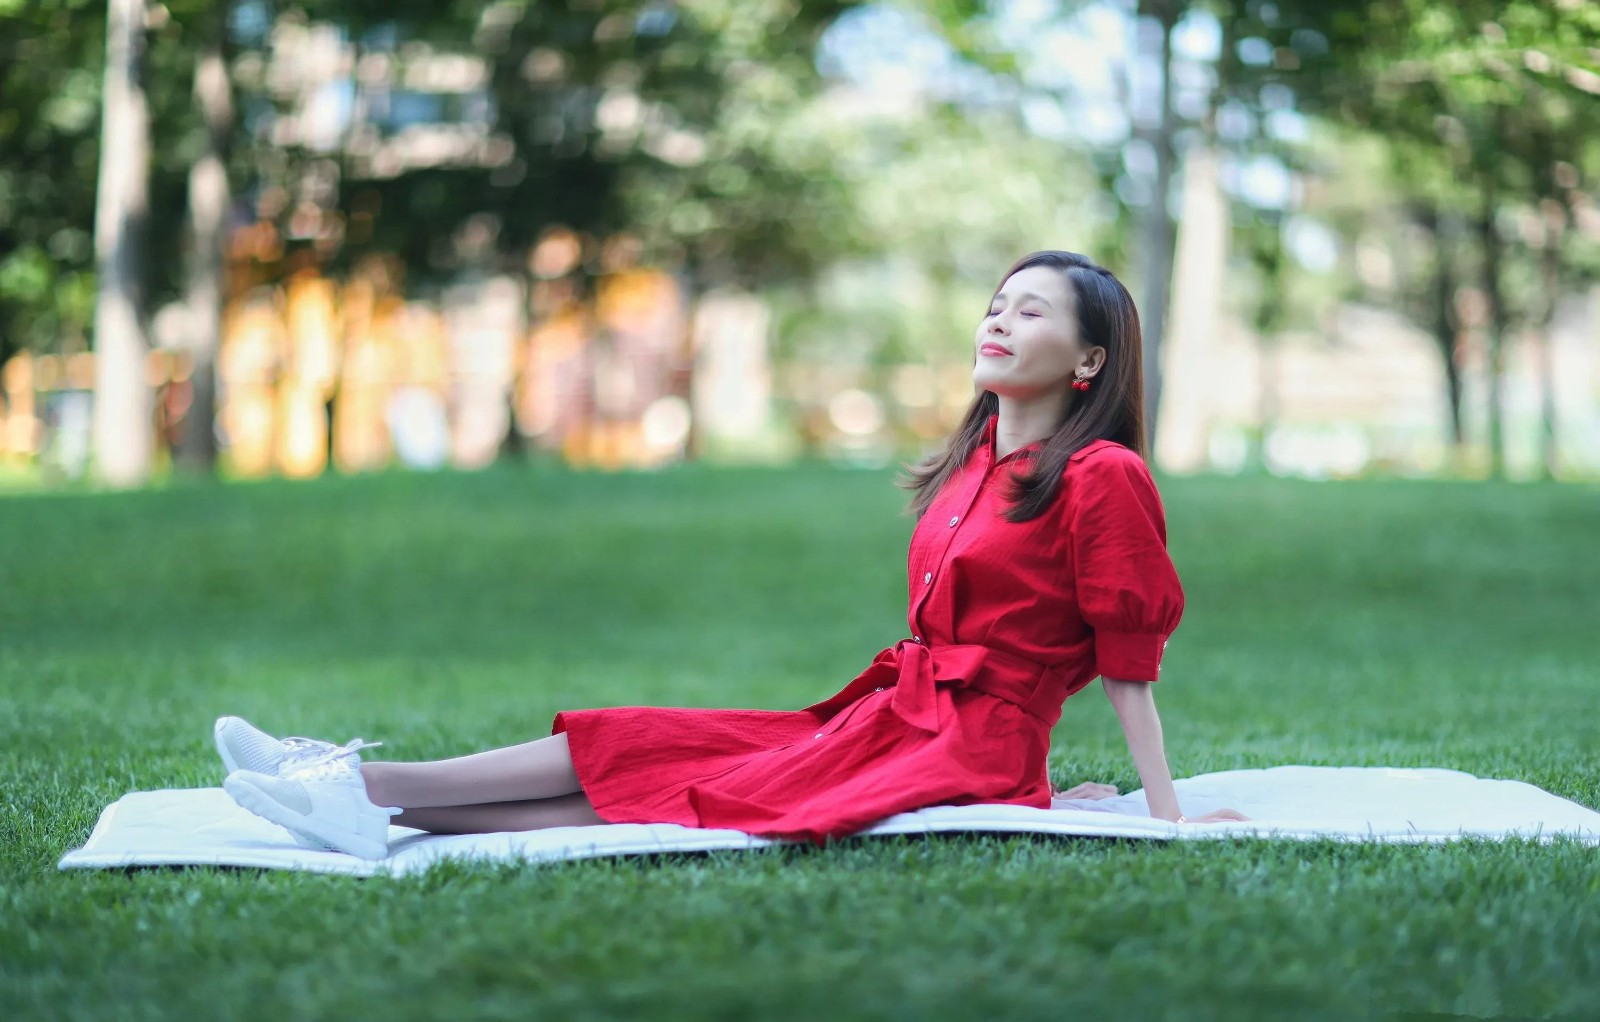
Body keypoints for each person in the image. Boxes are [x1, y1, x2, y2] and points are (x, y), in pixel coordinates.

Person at [217, 250, 1249, 861]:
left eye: (1031, 311)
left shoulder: (1102, 474)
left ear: (1087, 360)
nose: (997, 319)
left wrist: (1160, 816)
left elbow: (1126, 658)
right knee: (669, 749)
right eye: (994, 302)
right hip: (902, 708)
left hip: (963, 741)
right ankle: (370, 803)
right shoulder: (976, 457)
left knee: (706, 777)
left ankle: (358, 783)